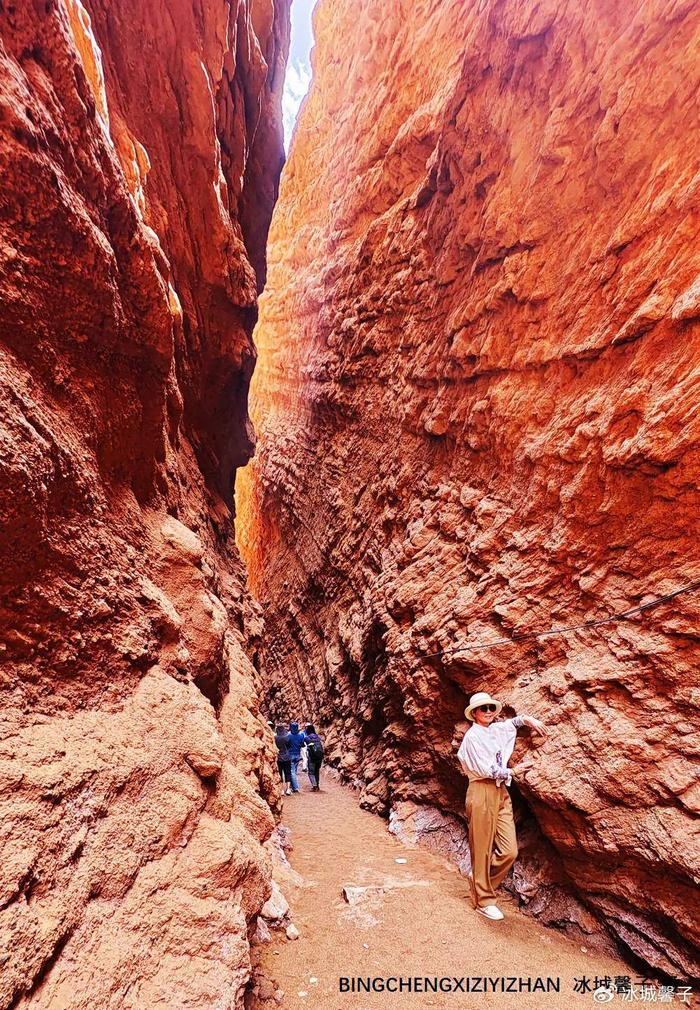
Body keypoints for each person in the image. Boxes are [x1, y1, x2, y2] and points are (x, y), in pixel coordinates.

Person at [457, 691, 547, 922]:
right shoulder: (472, 737)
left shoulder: (495, 729)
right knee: (482, 848)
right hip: (481, 790)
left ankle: (479, 880)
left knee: (509, 851)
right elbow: (486, 768)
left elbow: (511, 724)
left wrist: (527, 720)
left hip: (500, 792)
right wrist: (513, 772)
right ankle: (484, 900)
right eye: (482, 709)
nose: (487, 712)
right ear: (474, 713)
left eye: (490, 708)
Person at [288, 721, 307, 793]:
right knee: (294, 771)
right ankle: (292, 786)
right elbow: (303, 744)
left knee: (292, 771)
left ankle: (295, 787)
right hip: (297, 754)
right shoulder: (301, 734)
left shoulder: (288, 735)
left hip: (290, 755)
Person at [304, 724, 324, 791]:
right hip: (319, 756)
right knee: (316, 771)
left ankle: (314, 786)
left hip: (312, 757)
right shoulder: (318, 737)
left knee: (311, 772)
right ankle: (317, 785)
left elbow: (304, 744)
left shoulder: (307, 738)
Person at [274, 723, 292, 795]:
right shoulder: (287, 737)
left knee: (280, 774)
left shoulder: (275, 738)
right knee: (288, 773)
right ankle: (288, 789)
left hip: (279, 758)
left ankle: (281, 790)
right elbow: (289, 746)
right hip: (287, 757)